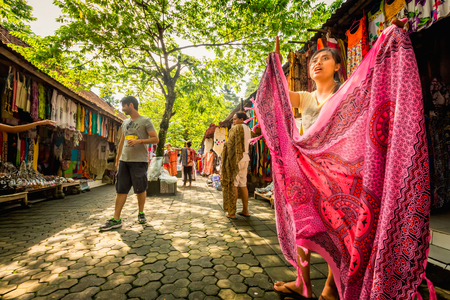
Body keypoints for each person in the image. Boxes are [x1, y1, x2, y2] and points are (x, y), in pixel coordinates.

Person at [270, 19, 407, 300]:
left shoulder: (347, 93)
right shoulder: (307, 99)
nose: (317, 63)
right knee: (302, 224)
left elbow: (373, 71)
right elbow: (280, 94)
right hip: (309, 173)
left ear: (337, 67)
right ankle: (303, 284)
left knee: (344, 228)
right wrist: (275, 61)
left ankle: (331, 288)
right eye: (313, 61)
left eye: (324, 59)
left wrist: (389, 36)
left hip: (340, 174)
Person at [100, 96, 159, 231]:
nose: (122, 109)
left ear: (131, 105)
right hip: (124, 161)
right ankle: (116, 219)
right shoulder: (125, 122)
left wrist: (139, 141)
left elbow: (156, 139)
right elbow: (122, 141)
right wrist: (117, 158)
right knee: (121, 189)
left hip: (139, 161)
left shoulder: (145, 121)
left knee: (140, 189)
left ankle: (141, 212)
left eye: (124, 106)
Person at [221, 112, 251, 219]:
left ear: (241, 119)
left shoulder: (236, 128)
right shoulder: (248, 129)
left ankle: (232, 213)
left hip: (236, 160)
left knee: (233, 184)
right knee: (243, 184)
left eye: (235, 119)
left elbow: (230, 145)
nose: (233, 121)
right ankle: (245, 210)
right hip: (245, 158)